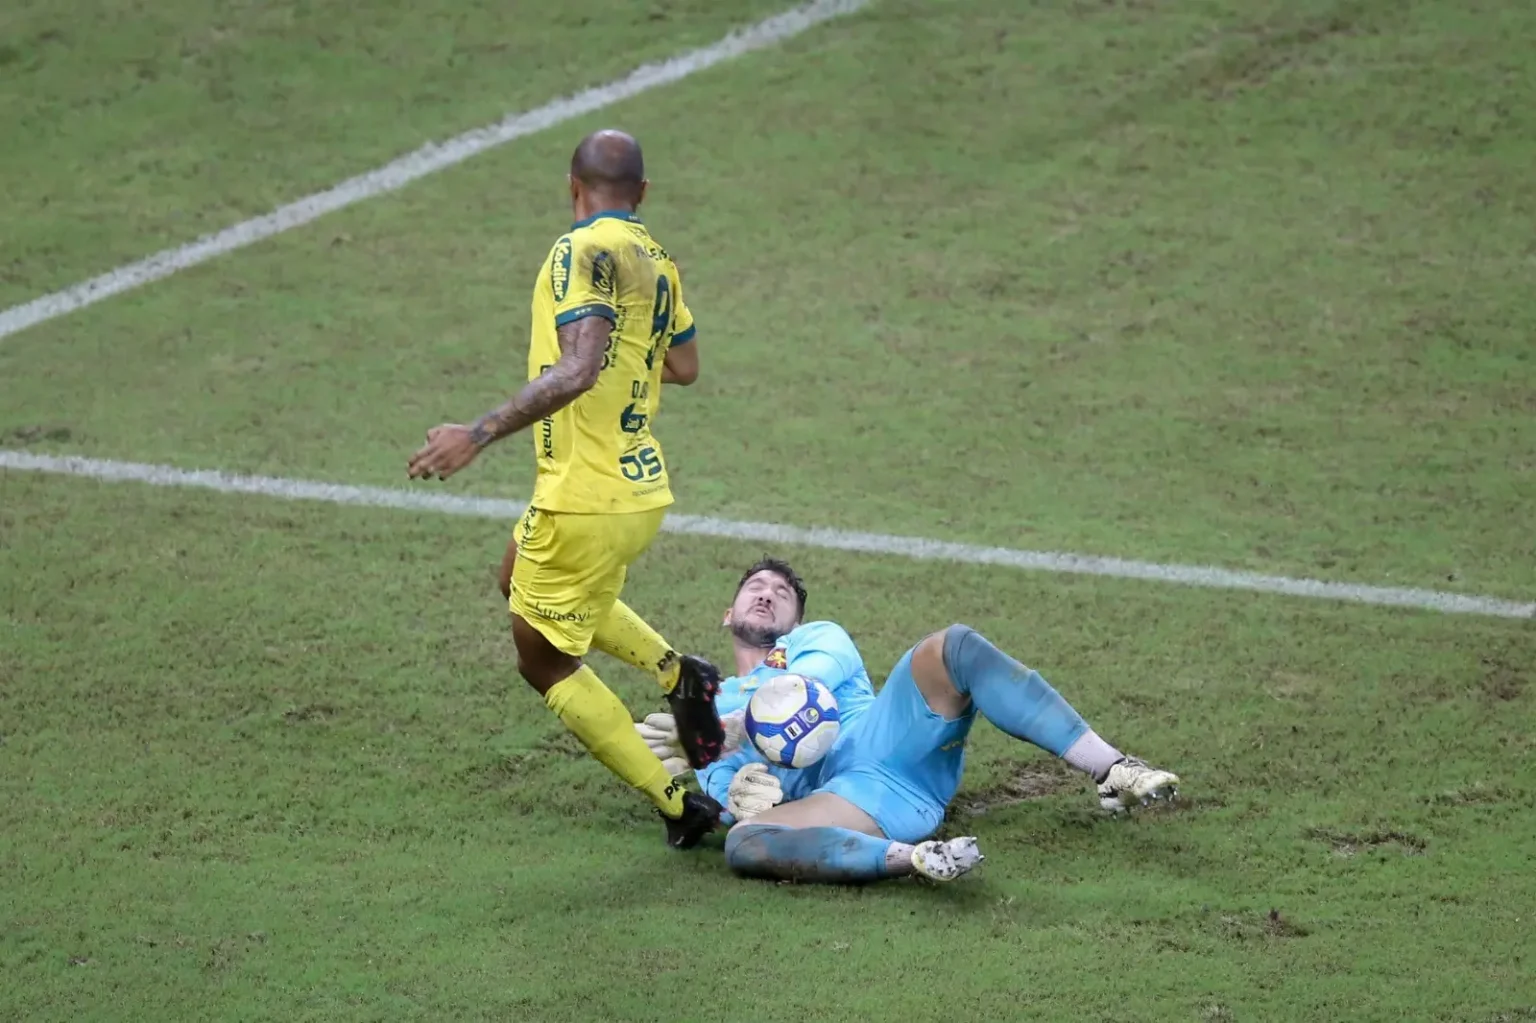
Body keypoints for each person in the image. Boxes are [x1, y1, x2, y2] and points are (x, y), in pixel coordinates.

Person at [408, 128, 725, 849]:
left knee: (543, 659)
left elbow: (579, 369)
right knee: (514, 574)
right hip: (638, 490)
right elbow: (685, 365)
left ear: (572, 186)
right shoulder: (658, 261)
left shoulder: (579, 251)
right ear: (642, 194)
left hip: (585, 498)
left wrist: (478, 433)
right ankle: (680, 676)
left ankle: (679, 803)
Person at [635, 558, 1182, 882]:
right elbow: (725, 796)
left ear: (797, 619)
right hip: (851, 801)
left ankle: (1113, 769)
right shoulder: (710, 701)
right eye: (754, 586)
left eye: (781, 593)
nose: (767, 593)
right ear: (728, 614)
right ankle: (913, 859)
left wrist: (726, 731)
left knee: (953, 646)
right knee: (746, 844)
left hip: (888, 744)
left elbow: (809, 691)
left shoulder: (817, 640)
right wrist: (735, 803)